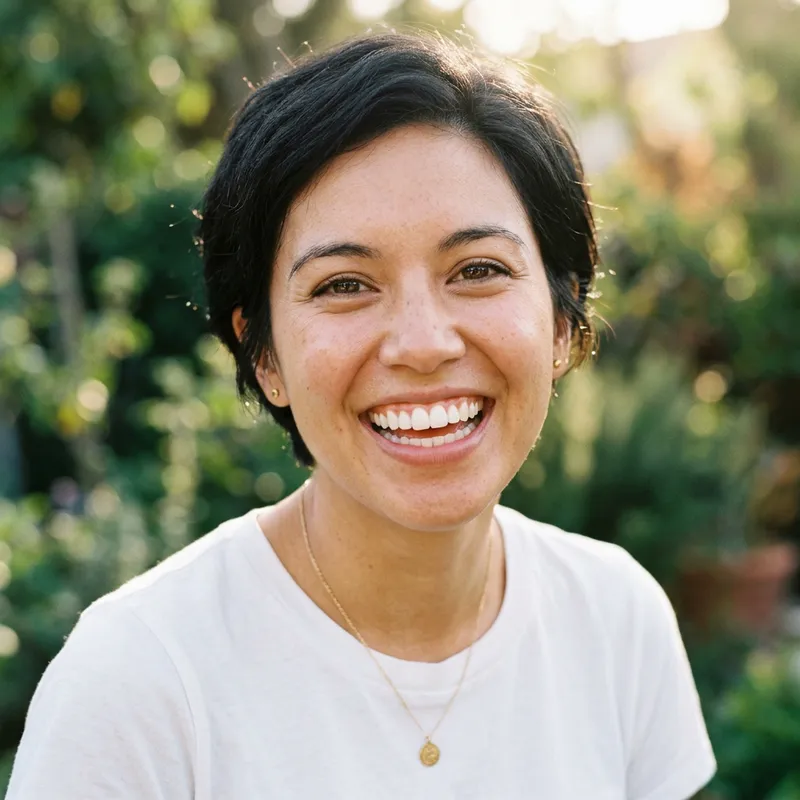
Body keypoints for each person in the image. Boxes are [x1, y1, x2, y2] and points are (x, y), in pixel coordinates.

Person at [7, 32, 716, 799]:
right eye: (345, 284)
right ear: (264, 355)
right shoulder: (141, 681)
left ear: (559, 319)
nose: (422, 344)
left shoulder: (617, 620)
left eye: (478, 270)